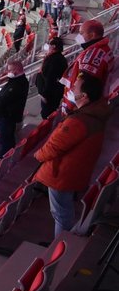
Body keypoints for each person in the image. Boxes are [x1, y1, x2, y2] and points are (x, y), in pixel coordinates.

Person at [34, 74, 111, 238]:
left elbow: (54, 147)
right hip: (73, 172)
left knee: (61, 215)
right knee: (63, 211)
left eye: (75, 87)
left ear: (84, 96)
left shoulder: (79, 121)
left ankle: (60, 247)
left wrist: (38, 156)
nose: (72, 88)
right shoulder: (94, 115)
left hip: (61, 174)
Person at [61, 19, 112, 113]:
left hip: (75, 108)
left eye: (81, 33)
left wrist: (71, 108)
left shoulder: (94, 55)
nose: (78, 36)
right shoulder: (99, 49)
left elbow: (84, 88)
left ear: (92, 35)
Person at [0, 59, 30, 157]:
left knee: (5, 140)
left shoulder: (18, 84)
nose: (8, 72)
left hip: (8, 116)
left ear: (16, 70)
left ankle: (3, 159)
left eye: (9, 70)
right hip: (9, 115)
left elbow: (3, 100)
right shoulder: (16, 81)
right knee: (8, 138)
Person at [37, 37, 69, 118]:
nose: (48, 46)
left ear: (54, 46)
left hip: (50, 95)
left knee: (47, 115)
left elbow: (50, 79)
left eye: (49, 44)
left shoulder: (55, 60)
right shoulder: (57, 58)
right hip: (52, 93)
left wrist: (45, 95)